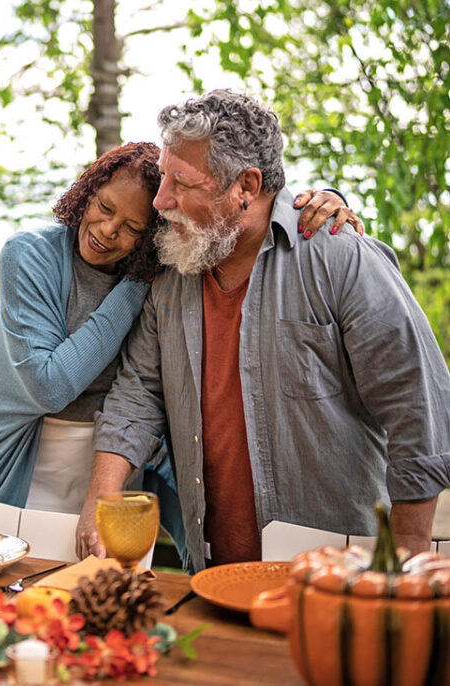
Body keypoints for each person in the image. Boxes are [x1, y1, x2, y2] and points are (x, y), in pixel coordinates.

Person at [77, 90, 450, 569]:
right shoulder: (172, 272)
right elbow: (139, 393)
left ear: (246, 186)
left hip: (340, 574)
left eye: (182, 183)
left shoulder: (338, 256)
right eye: (164, 176)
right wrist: (100, 501)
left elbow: (416, 401)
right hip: (211, 573)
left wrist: (409, 550)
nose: (160, 199)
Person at [0, 141, 358, 564]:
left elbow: (240, 216)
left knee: (107, 606)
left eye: (133, 228)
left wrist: (327, 198)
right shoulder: (30, 255)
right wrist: (138, 281)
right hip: (23, 463)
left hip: (115, 468)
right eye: (104, 206)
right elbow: (48, 385)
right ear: (87, 190)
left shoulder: (167, 273)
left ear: (153, 234)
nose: (108, 230)